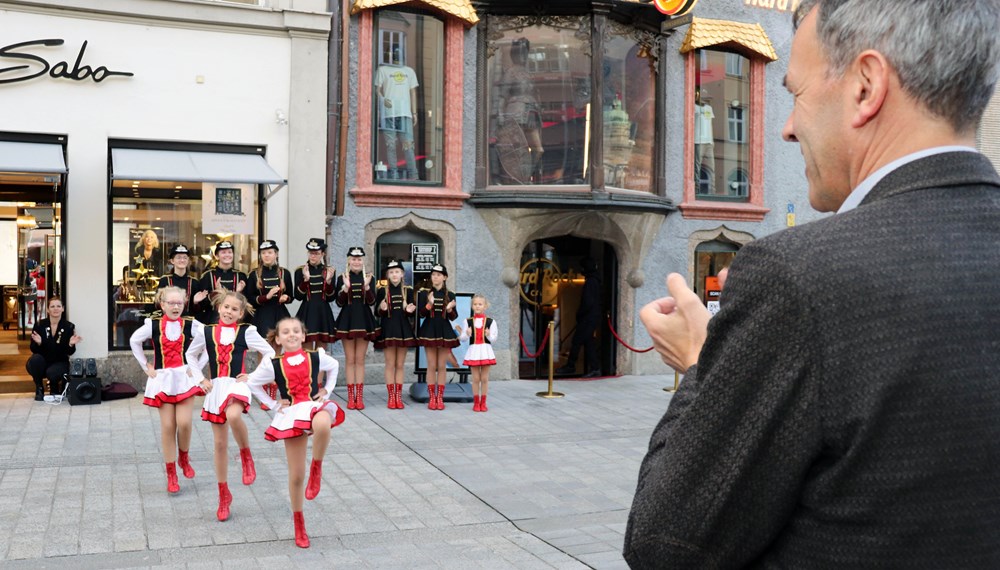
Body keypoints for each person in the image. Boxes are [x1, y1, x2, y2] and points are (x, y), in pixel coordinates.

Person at [624, 1, 1000, 567]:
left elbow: (665, 546)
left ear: (865, 87)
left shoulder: (800, 278)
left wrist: (706, 367)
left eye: (796, 93)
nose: (787, 126)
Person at [246, 317, 344, 549]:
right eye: (286, 332)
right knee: (296, 475)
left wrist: (326, 391)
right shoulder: (273, 362)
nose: (291, 334)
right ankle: (299, 523)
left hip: (313, 405)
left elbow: (335, 367)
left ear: (303, 335)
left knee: (322, 423)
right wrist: (273, 405)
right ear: (278, 339)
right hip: (291, 414)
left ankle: (317, 467)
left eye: (296, 331)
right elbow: (252, 384)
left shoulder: (316, 356)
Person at [186, 289, 274, 521]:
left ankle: (246, 455)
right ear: (218, 307)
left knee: (234, 415)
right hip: (216, 387)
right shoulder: (207, 332)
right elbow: (190, 355)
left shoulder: (247, 331)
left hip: (237, 384)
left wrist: (253, 376)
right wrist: (200, 379)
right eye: (226, 307)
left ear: (241, 313)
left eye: (235, 309)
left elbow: (270, 352)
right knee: (219, 445)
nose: (229, 311)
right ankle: (223, 495)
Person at [130, 286, 203, 494]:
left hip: (184, 377)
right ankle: (171, 472)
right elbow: (134, 341)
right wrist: (146, 366)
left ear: (184, 304)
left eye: (179, 303)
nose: (175, 307)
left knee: (185, 422)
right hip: (162, 379)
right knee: (168, 426)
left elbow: (209, 341)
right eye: (171, 303)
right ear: (162, 304)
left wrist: (196, 368)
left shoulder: (191, 324)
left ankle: (184, 456)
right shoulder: (152, 324)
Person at [334, 247, 378, 410]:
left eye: (359, 259)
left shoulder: (369, 278)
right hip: (348, 320)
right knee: (350, 359)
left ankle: (359, 397)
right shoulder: (342, 277)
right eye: (353, 258)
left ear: (363, 261)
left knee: (360, 359)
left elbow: (372, 302)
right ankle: (350, 397)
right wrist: (346, 288)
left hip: (364, 319)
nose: (356, 262)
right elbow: (339, 303)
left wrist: (366, 287)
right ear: (348, 260)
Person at [497, 37, 544, 183]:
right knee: (516, 149)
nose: (523, 56)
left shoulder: (528, 72)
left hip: (531, 112)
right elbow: (502, 95)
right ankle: (519, 179)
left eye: (525, 52)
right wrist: (500, 114)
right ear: (515, 54)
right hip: (516, 111)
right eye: (520, 52)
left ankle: (526, 176)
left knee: (538, 149)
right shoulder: (510, 72)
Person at [374, 259, 416, 409]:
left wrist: (410, 310)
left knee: (400, 364)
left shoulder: (408, 290)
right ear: (387, 275)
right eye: (391, 272)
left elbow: (412, 312)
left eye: (397, 271)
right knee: (390, 364)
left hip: (403, 329)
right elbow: (377, 312)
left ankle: (398, 396)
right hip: (388, 329)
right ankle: (391, 397)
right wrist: (382, 308)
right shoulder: (381, 290)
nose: (394, 275)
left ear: (402, 273)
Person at [416, 264, 458, 410]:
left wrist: (449, 309)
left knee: (441, 365)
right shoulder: (424, 293)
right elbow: (420, 314)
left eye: (439, 275)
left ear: (445, 277)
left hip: (444, 331)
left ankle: (440, 397)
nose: (435, 277)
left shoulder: (450, 295)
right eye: (433, 274)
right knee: (431, 365)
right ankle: (431, 397)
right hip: (429, 331)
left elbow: (453, 317)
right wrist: (429, 304)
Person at [375, 46, 420, 181]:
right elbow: (377, 89)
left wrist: (414, 112)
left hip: (405, 113)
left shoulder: (409, 71)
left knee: (408, 145)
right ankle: (393, 173)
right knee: (391, 145)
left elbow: (413, 92)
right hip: (389, 113)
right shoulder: (383, 70)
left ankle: (413, 175)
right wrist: (383, 100)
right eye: (393, 53)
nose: (396, 55)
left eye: (398, 53)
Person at [26, 296, 81, 401]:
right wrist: (39, 343)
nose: (55, 309)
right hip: (43, 361)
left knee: (52, 372)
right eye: (52, 306)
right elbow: (33, 349)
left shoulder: (69, 326)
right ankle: (39, 387)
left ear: (63, 309)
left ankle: (54, 387)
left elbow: (70, 352)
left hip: (59, 362)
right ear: (47, 309)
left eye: (58, 306)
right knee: (35, 360)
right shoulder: (39, 325)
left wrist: (70, 344)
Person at [555, 258, 602, 378]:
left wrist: (580, 314)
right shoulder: (594, 281)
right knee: (588, 342)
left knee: (577, 342)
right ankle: (594, 367)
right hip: (590, 317)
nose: (581, 270)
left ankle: (572, 366)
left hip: (587, 318)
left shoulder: (591, 282)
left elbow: (588, 302)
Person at [456, 294, 497, 412]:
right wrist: (467, 333)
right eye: (475, 304)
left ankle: (483, 402)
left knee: (484, 378)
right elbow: (463, 338)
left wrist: (488, 335)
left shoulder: (491, 322)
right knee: (475, 378)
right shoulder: (467, 321)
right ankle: (476, 402)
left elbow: (494, 339)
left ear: (485, 306)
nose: (477, 306)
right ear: (472, 306)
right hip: (474, 351)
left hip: (485, 350)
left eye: (480, 304)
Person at [293, 238, 337, 349]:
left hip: (323, 312)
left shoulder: (329, 271)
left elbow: (331, 298)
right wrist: (305, 280)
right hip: (307, 311)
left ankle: (319, 368)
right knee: (306, 352)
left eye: (316, 253)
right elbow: (297, 296)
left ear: (322, 254)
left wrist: (327, 282)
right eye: (311, 253)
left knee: (321, 354)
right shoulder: (300, 270)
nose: (313, 256)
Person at [246, 239, 293, 339]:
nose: (266, 255)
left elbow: (291, 296)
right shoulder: (253, 274)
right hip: (261, 315)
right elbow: (249, 298)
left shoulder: (285, 273)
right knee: (263, 348)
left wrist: (286, 297)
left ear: (276, 254)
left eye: (270, 252)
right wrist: (266, 297)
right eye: (263, 253)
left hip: (280, 313)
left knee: (279, 346)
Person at [197, 240, 248, 324]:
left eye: (229, 252)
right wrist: (216, 293)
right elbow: (202, 304)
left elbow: (246, 303)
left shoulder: (241, 276)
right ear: (217, 256)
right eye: (223, 252)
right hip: (213, 321)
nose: (227, 255)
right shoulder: (207, 276)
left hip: (236, 321)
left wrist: (238, 292)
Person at [158, 244, 208, 317]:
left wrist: (195, 302)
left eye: (185, 258)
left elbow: (200, 310)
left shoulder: (194, 282)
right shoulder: (165, 280)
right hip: (169, 322)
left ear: (188, 260)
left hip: (189, 323)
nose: (182, 260)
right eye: (178, 258)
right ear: (172, 261)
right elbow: (158, 305)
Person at [693, 89, 715, 193]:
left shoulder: (709, 108)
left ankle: (713, 191)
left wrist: (712, 140)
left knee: (712, 166)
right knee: (697, 166)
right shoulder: (693, 107)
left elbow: (710, 124)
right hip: (698, 140)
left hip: (708, 141)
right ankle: (696, 189)